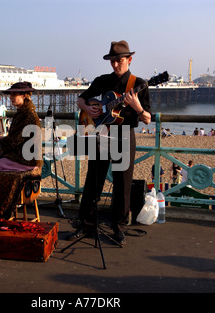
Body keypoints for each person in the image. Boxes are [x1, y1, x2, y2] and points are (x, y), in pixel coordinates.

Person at [66, 40, 151, 245]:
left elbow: (148, 119)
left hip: (124, 135)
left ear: (129, 60)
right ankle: (86, 224)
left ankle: (119, 227)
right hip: (102, 134)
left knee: (123, 183)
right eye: (112, 61)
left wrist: (137, 107)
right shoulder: (102, 80)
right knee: (93, 180)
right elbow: (80, 99)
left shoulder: (140, 84)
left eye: (119, 61)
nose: (115, 65)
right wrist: (87, 109)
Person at [0, 81, 43, 217]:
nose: (11, 97)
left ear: (24, 95)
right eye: (10, 94)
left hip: (24, 159)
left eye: (14, 94)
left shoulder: (26, 114)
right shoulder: (25, 111)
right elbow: (15, 137)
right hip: (27, 157)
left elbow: (14, 140)